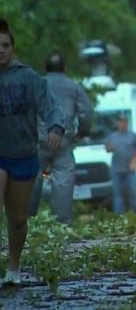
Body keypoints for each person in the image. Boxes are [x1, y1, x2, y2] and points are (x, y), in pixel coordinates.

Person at [0, 18, 65, 286]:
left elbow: (50, 105)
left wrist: (56, 127)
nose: (0, 50)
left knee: (17, 220)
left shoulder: (28, 77)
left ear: (12, 48)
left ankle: (13, 268)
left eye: (5, 45)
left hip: (24, 155)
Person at [29, 52, 93, 225]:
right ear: (64, 69)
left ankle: (27, 222)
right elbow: (86, 111)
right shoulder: (73, 87)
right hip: (63, 139)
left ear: (45, 68)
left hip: (39, 139)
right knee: (63, 180)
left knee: (32, 177)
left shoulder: (37, 83)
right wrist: (82, 132)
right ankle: (63, 224)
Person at [105, 114, 136, 214]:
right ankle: (119, 217)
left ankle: (135, 215)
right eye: (120, 121)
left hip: (129, 170)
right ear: (117, 123)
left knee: (133, 194)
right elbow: (107, 148)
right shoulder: (112, 136)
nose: (122, 123)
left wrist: (134, 161)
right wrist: (110, 147)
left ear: (127, 123)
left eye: (124, 121)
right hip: (116, 170)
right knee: (118, 195)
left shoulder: (133, 136)